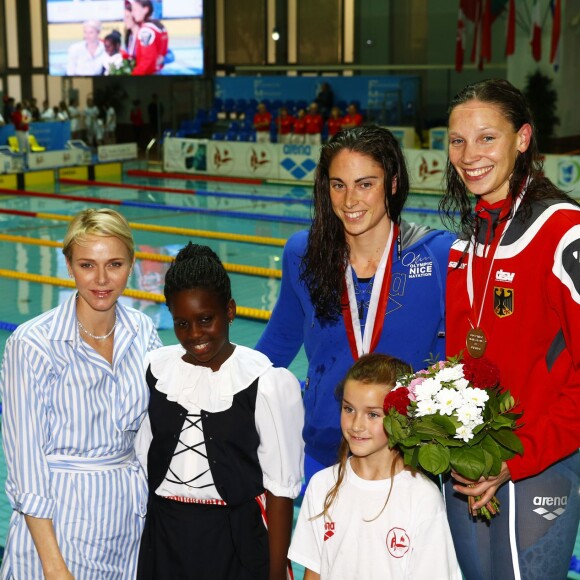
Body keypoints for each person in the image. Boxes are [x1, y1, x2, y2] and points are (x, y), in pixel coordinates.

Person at [256, 126, 454, 482]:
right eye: (338, 185)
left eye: (365, 184)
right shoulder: (303, 253)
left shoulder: (438, 255)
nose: (350, 201)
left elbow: (458, 354)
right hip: (324, 445)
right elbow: (279, 343)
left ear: (392, 184)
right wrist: (222, 389)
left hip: (409, 453)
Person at [440, 78, 580, 580]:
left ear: (522, 138)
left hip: (541, 462)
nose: (469, 154)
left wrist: (517, 458)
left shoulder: (564, 232)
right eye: (457, 140)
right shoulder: (466, 246)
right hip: (474, 464)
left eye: (486, 137)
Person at [0, 208, 162, 578]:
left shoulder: (143, 332)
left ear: (132, 264)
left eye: (115, 264)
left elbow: (150, 436)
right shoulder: (32, 344)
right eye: (87, 265)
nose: (102, 279)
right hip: (59, 531)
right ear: (69, 266)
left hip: (126, 526)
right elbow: (27, 469)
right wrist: (55, 567)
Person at [135, 242, 304, 580]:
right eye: (182, 323)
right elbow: (142, 453)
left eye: (205, 319)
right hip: (164, 535)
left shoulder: (264, 381)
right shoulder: (155, 369)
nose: (194, 334)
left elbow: (280, 491)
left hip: (235, 539)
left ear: (230, 310)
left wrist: (275, 575)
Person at [289, 353, 462, 580]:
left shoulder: (422, 497)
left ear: (400, 418)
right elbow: (313, 573)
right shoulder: (322, 486)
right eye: (349, 409)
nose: (357, 425)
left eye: (373, 414)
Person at [131, 0, 169, 76]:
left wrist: (134, 74)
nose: (132, 13)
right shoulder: (159, 26)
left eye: (135, 10)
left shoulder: (146, 31)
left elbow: (147, 60)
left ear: (145, 9)